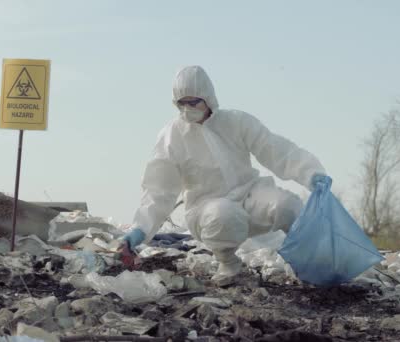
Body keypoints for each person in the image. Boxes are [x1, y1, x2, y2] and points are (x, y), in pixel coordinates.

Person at [120, 65, 331, 285]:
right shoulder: (172, 136)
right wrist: (140, 230)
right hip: (206, 207)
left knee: (287, 205)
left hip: (249, 194)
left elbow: (274, 148)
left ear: (208, 98)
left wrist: (310, 172)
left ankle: (306, 262)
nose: (188, 109)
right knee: (224, 215)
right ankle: (228, 264)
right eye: (182, 103)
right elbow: (159, 189)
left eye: (194, 102)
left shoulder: (236, 122)